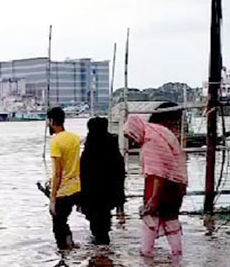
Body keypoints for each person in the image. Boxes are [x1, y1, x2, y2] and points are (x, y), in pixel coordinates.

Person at [124, 115, 187, 256]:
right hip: (176, 185)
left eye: (131, 137)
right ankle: (177, 257)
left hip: (157, 187)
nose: (133, 142)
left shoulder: (150, 142)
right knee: (171, 221)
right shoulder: (160, 132)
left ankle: (146, 255)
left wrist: (154, 198)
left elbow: (158, 174)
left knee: (150, 220)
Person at [80, 117, 125, 245]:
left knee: (96, 220)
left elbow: (84, 171)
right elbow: (120, 170)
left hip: (92, 191)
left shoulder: (90, 145)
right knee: (104, 218)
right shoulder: (111, 143)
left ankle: (100, 250)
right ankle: (104, 250)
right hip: (109, 190)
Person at [47, 107, 81, 250]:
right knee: (63, 221)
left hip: (64, 190)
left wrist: (53, 198)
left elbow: (58, 173)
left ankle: (64, 256)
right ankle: (71, 245)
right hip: (78, 187)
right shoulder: (74, 137)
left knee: (58, 225)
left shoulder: (55, 142)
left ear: (51, 121)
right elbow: (72, 163)